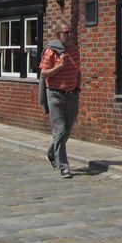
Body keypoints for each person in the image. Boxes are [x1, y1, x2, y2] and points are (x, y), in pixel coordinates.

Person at [39, 22, 81, 179]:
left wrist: (77, 89)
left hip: (72, 95)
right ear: (58, 34)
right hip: (55, 95)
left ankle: (51, 153)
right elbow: (44, 74)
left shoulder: (75, 51)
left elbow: (78, 72)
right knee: (60, 130)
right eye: (65, 32)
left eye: (70, 32)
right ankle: (64, 166)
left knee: (66, 132)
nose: (69, 35)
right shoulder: (51, 51)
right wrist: (60, 66)